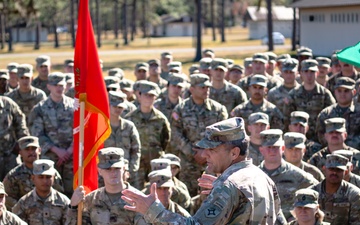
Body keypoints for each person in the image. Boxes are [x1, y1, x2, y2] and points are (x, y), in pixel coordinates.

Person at [122, 117, 285, 224]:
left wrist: (152, 209)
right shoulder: (263, 178)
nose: (204, 154)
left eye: (212, 150)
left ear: (234, 153)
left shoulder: (228, 186)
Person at [171, 73, 228, 196]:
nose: (206, 90)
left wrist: (207, 152)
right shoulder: (181, 109)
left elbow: (223, 135)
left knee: (213, 196)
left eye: (207, 87)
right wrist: (193, 152)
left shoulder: (218, 109)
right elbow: (176, 134)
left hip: (213, 163)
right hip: (189, 164)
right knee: (189, 197)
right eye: (202, 87)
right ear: (192, 89)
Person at [28, 72, 74, 197]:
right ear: (49, 86)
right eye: (55, 85)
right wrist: (57, 150)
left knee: (73, 190)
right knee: (53, 191)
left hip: (72, 156)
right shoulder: (40, 109)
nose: (59, 88)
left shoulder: (75, 106)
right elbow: (37, 134)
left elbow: (81, 129)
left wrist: (70, 150)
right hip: (50, 157)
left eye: (61, 85)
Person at [65, 147, 139, 225]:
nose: (113, 173)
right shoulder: (90, 200)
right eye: (108, 169)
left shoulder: (138, 199)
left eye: (117, 168)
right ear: (100, 171)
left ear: (123, 168)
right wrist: (72, 207)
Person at [258, 129, 318, 221]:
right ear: (261, 150)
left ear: (282, 149)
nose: (272, 151)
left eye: (275, 147)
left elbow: (319, 193)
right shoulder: (254, 175)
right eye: (269, 147)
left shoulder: (298, 176)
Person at [125, 81, 170, 189]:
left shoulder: (161, 119)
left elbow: (166, 140)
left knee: (156, 192)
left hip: (155, 163)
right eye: (146, 95)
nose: (148, 98)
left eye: (151, 95)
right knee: (136, 192)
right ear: (139, 96)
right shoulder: (130, 118)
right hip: (137, 165)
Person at [3, 136, 64, 210]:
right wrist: (24, 207)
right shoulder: (14, 175)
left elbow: (59, 194)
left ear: (39, 150)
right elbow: (7, 198)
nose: (31, 152)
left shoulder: (51, 173)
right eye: (27, 149)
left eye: (33, 149)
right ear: (20, 153)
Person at [284, 59, 336, 141]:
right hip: (298, 139)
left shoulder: (325, 94)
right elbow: (287, 119)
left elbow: (332, 116)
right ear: (301, 73)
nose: (309, 75)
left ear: (317, 73)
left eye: (312, 71)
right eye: (306, 71)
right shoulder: (293, 94)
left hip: (320, 139)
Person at [12, 159, 70, 224]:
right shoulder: (23, 203)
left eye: (48, 177)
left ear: (54, 178)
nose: (45, 181)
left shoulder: (64, 202)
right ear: (33, 178)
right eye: (41, 177)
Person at [309, 154, 360, 224]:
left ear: (345, 172)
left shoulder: (354, 195)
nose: (334, 172)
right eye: (331, 169)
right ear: (324, 169)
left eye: (339, 170)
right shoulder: (312, 192)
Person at [104, 91, 141, 187]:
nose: (117, 109)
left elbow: (136, 150)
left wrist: (130, 170)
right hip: (105, 172)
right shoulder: (101, 126)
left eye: (120, 107)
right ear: (108, 105)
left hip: (126, 173)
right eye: (114, 106)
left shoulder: (129, 126)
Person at [316, 77, 360, 148]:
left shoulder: (358, 112)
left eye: (346, 91)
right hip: (331, 154)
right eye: (339, 91)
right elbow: (321, 136)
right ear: (335, 92)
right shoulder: (326, 114)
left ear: (354, 92)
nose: (342, 94)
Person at [0, 95, 29, 180]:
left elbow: (21, 124)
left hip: (10, 156)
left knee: (15, 184)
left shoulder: (7, 103)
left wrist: (22, 145)